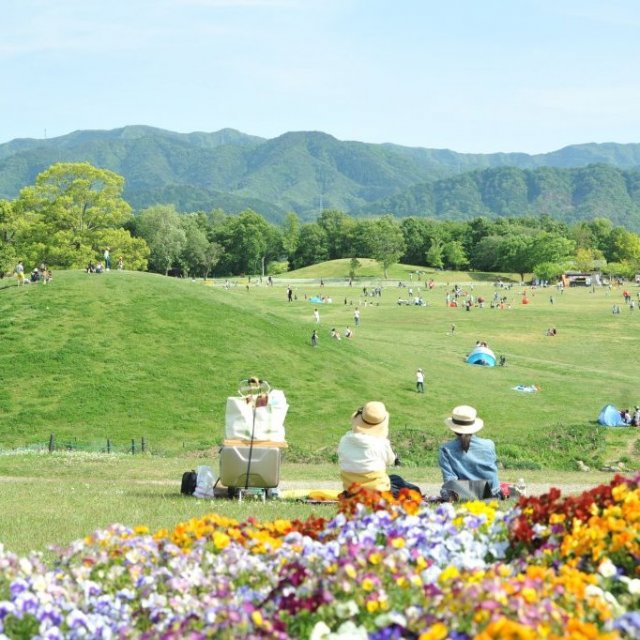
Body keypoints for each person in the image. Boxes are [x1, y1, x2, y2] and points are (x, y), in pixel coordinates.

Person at [338, 401, 419, 497]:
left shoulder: (345, 439)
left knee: (394, 478)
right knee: (411, 488)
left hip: (351, 490)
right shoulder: (381, 443)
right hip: (377, 491)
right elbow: (390, 461)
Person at [438, 405, 502, 500]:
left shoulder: (446, 449)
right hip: (493, 494)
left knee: (444, 490)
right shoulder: (489, 444)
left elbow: (450, 481)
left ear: (454, 429)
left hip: (464, 495)